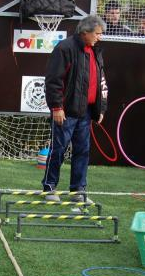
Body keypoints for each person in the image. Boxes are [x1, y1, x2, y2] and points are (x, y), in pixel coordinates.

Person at [42, 15, 108, 203]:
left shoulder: (96, 52)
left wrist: (100, 108)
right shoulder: (65, 48)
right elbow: (54, 81)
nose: (99, 37)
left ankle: (78, 190)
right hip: (66, 110)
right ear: (85, 32)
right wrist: (56, 107)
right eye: (97, 34)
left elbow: (101, 81)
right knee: (58, 149)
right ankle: (49, 187)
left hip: (86, 112)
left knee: (83, 150)